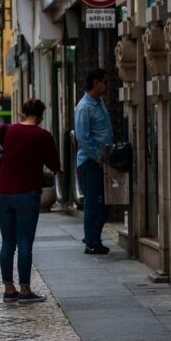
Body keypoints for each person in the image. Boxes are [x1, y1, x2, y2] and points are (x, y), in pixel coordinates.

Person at [0, 98, 60, 304]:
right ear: (41, 116)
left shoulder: (8, 130)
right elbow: (55, 164)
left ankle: (9, 290)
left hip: (2, 194)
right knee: (25, 243)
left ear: (21, 113)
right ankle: (26, 291)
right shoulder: (43, 136)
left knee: (7, 243)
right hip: (27, 194)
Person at [75, 68, 114, 255]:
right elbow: (82, 138)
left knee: (106, 201)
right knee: (93, 202)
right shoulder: (84, 107)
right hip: (90, 162)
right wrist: (98, 158)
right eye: (105, 82)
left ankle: (93, 237)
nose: (107, 86)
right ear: (96, 83)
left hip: (102, 160)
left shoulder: (99, 103)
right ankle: (91, 241)